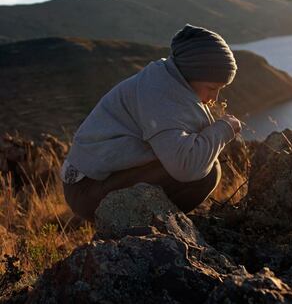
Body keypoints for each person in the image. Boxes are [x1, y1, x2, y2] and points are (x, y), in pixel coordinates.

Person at [61, 24, 242, 221]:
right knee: (205, 174)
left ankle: (158, 227)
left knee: (204, 161)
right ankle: (146, 230)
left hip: (92, 180)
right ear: (192, 73)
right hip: (87, 190)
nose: (214, 97)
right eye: (211, 87)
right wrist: (223, 129)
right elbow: (186, 167)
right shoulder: (161, 94)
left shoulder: (168, 79)